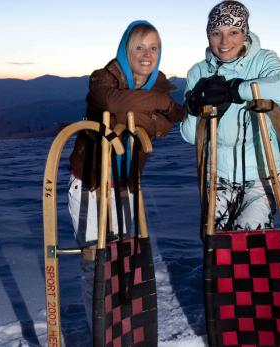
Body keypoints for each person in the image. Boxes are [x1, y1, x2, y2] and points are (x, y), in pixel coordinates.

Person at [68, 20, 184, 325]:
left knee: (122, 258)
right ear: (125, 50)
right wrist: (157, 105)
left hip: (126, 185)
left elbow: (173, 119)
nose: (147, 55)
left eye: (154, 48)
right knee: (96, 262)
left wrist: (143, 113)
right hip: (92, 184)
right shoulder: (103, 78)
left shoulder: (158, 83)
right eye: (139, 47)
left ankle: (123, 329)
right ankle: (101, 334)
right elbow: (110, 102)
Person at [180, 0, 280, 231]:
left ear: (245, 33)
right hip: (218, 174)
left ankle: (256, 267)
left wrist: (236, 90)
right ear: (208, 35)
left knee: (247, 239)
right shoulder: (199, 72)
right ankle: (219, 267)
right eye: (216, 33)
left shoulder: (263, 60)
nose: (224, 42)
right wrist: (194, 108)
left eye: (233, 32)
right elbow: (191, 136)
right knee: (216, 243)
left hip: (262, 174)